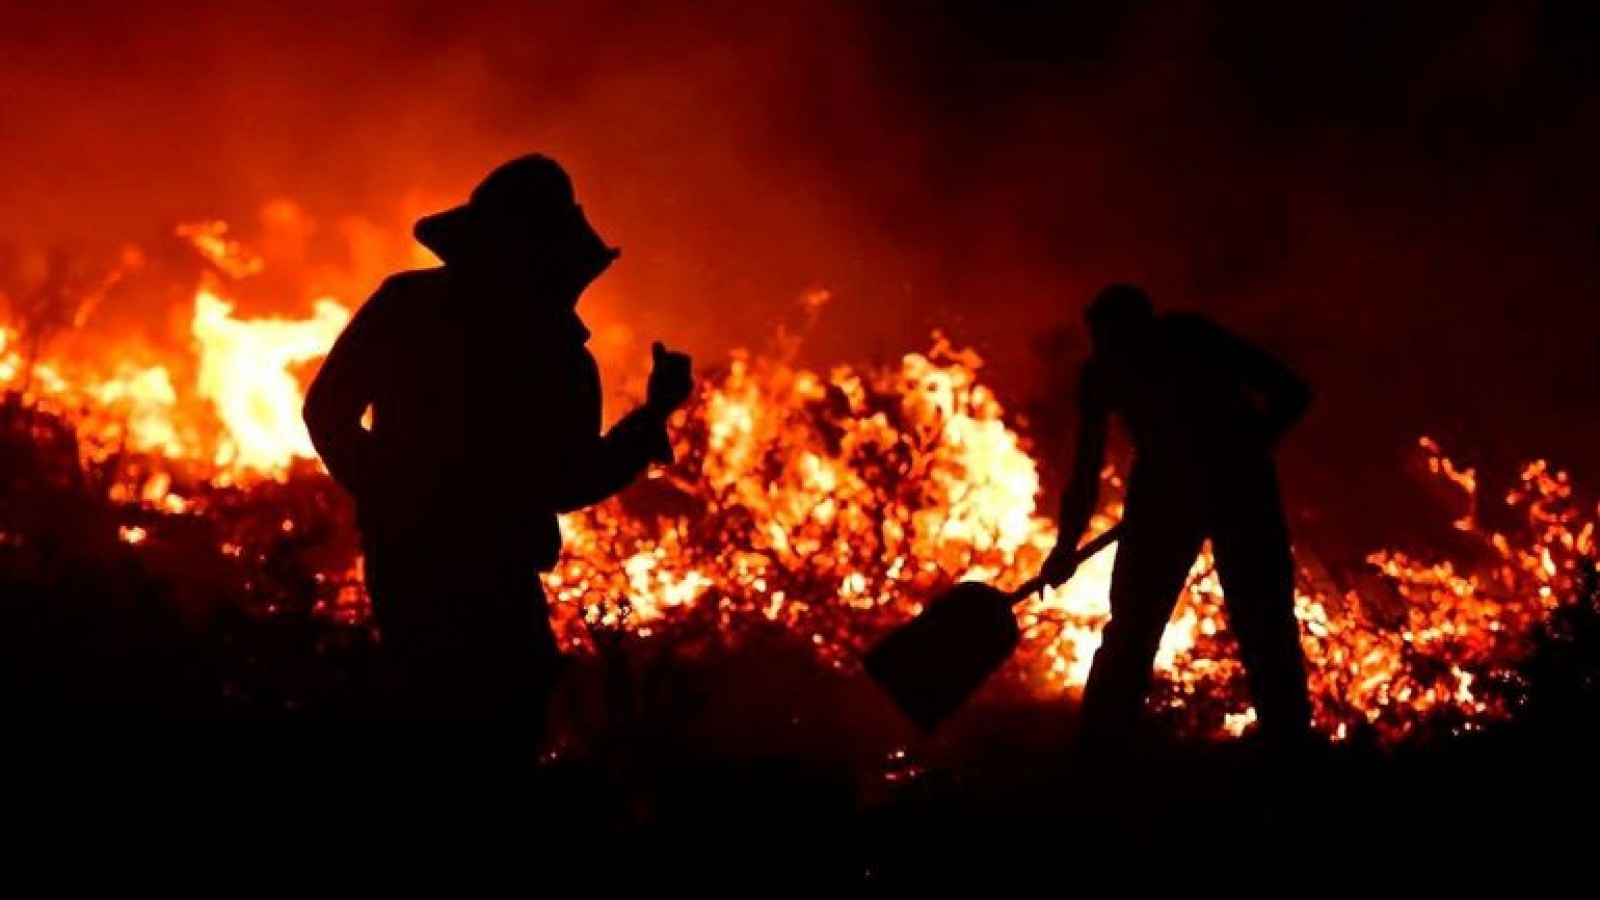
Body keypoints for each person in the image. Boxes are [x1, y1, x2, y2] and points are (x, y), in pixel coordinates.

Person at [303, 154, 693, 794]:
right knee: (494, 733)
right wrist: (651, 417)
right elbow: (570, 482)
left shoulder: (411, 307)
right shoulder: (552, 355)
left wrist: (386, 494)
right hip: (487, 575)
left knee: (434, 726)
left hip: (419, 561)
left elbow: (327, 411)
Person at [1039, 284, 1314, 777]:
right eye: (1103, 341)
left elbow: (1292, 392)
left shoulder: (1192, 338)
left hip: (1239, 490)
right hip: (1163, 494)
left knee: (1264, 625)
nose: (1113, 352)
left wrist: (1244, 446)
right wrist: (1064, 547)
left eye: (1120, 340)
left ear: (1146, 329)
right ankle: (1097, 763)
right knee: (1131, 630)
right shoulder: (1101, 373)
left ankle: (1292, 756)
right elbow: (1085, 471)